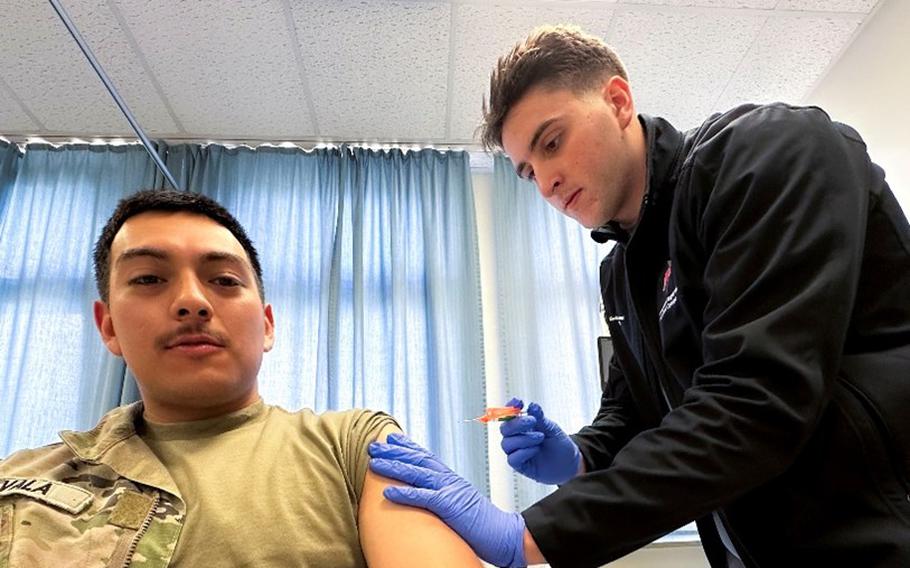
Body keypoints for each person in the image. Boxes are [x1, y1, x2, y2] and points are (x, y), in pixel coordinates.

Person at [369, 24, 910, 568]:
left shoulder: (763, 155)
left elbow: (755, 401)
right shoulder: (622, 274)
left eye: (553, 142)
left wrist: (530, 534)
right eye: (529, 172)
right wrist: (579, 456)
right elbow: (636, 415)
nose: (547, 184)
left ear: (618, 101)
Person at [0, 189, 481, 567]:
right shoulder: (19, 481)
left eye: (225, 280)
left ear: (267, 324)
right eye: (149, 278)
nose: (193, 301)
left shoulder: (354, 447)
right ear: (108, 327)